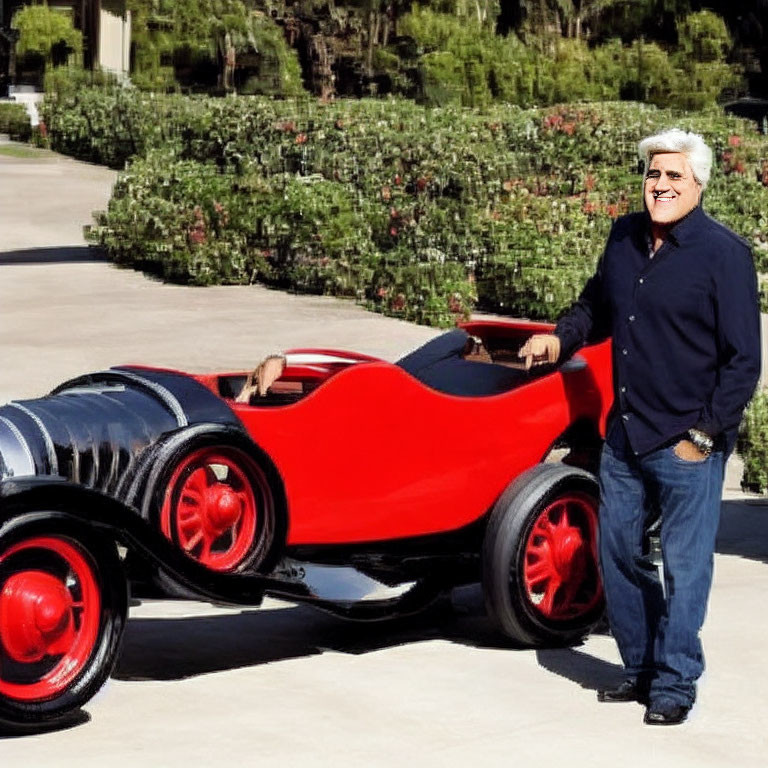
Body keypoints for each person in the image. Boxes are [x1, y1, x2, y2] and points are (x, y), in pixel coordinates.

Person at [518, 129, 761, 726]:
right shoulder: (624, 238)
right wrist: (559, 336)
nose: (661, 186)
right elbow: (595, 307)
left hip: (687, 443)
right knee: (619, 552)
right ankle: (642, 666)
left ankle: (675, 682)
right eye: (654, 175)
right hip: (624, 435)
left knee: (686, 568)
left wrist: (703, 437)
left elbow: (743, 361)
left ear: (698, 183)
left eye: (674, 177)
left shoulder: (723, 254)